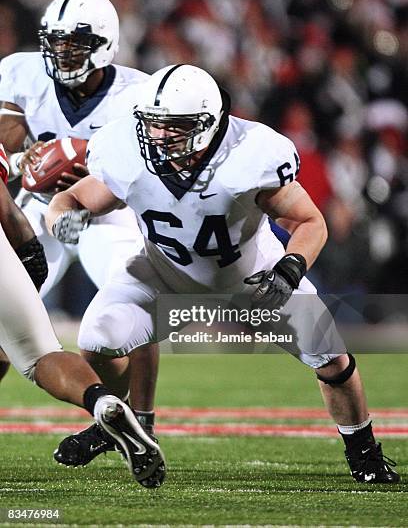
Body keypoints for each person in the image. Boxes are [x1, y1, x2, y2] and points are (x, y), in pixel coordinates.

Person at [45, 64, 399, 484]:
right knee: (96, 339)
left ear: (207, 124)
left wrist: (289, 269)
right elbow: (71, 199)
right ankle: (116, 422)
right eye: (153, 124)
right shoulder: (126, 149)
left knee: (331, 357)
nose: (158, 137)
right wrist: (63, 220)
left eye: (173, 126)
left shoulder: (250, 153)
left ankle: (364, 453)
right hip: (162, 276)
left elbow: (310, 221)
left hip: (252, 279)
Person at [0, 0, 159, 464]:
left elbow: (152, 170)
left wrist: (89, 164)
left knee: (136, 304)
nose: (63, 54)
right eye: (57, 43)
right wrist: (29, 158)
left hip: (107, 215)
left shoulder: (139, 93)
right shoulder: (20, 71)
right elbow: (6, 149)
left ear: (105, 43)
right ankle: (114, 414)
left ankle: (142, 421)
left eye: (75, 44)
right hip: (37, 207)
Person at [0, 143, 165, 488]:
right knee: (39, 355)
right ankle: (103, 401)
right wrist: (29, 250)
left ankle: (140, 419)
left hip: (100, 213)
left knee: (132, 303)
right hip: (38, 216)